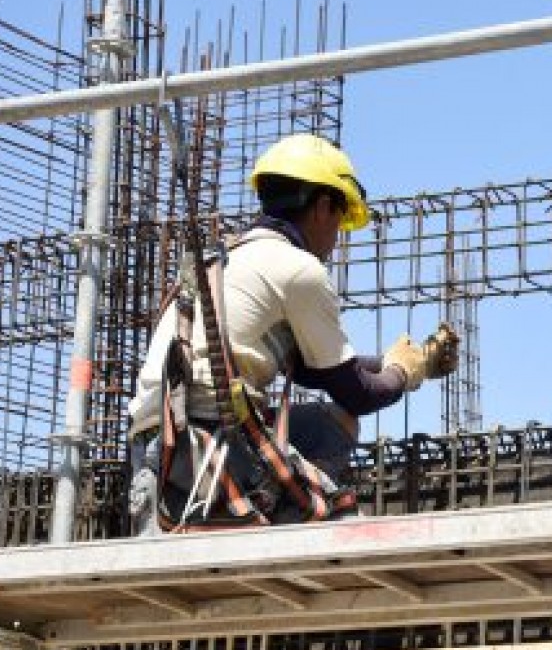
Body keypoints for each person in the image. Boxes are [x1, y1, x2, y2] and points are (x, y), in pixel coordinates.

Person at [126, 133, 457, 533]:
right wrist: (402, 375)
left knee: (317, 423)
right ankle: (298, 518)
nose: (337, 237)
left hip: (155, 447)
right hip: (209, 445)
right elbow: (355, 392)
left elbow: (310, 369)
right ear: (321, 207)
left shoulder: (229, 256)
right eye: (339, 218)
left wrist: (402, 361)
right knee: (335, 426)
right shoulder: (298, 269)